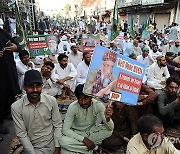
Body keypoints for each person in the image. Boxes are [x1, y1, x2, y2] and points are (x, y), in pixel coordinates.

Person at [11, 70, 62, 154]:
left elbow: (58, 125)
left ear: (42, 86)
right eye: (31, 86)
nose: (35, 90)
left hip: (53, 142)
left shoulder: (51, 100)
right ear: (24, 87)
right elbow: (21, 134)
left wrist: (57, 147)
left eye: (38, 86)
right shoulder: (16, 107)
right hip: (33, 147)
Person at [60, 84, 114, 154]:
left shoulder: (98, 105)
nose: (83, 102)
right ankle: (94, 148)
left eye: (86, 98)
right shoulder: (73, 107)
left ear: (91, 97)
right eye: (80, 99)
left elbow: (110, 128)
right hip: (76, 134)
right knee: (63, 141)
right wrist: (84, 140)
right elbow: (65, 130)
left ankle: (82, 147)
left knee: (108, 131)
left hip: (91, 133)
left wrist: (108, 119)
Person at [0, 27, 20, 134]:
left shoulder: (3, 32)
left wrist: (16, 47)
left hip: (9, 70)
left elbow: (16, 44)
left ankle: (8, 112)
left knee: (11, 92)